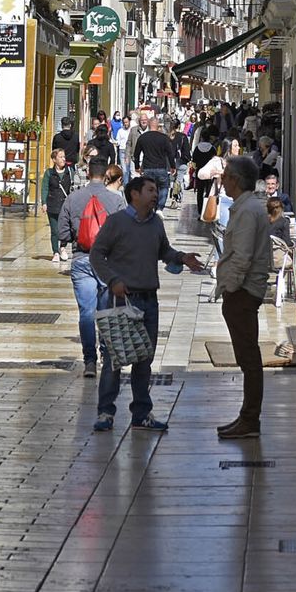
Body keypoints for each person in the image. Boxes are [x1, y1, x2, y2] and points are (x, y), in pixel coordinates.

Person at [88, 177, 204, 432]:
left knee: (144, 359)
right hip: (121, 300)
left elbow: (164, 250)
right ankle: (106, 412)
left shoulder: (156, 223)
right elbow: (97, 254)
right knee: (114, 359)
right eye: (150, 190)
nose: (155, 194)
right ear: (134, 195)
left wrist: (183, 257)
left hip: (149, 301)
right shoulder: (117, 222)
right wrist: (112, 279)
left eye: (155, 190)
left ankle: (141, 413)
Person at [216, 157, 275, 438]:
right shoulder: (247, 207)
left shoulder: (248, 210)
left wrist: (231, 286)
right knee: (246, 357)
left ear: (236, 180)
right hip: (240, 291)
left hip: (243, 292)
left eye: (226, 176)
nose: (223, 181)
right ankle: (246, 416)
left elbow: (242, 256)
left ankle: (250, 419)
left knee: (249, 358)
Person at [59, 160, 127, 378]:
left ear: (87, 173)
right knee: (106, 311)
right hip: (108, 263)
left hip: (81, 260)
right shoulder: (116, 200)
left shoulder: (73, 198)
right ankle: (106, 357)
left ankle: (89, 361)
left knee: (86, 313)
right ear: (106, 176)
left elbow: (62, 233)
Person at [132, 115, 178, 211]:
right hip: (161, 167)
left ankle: (149, 206)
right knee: (163, 187)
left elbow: (136, 154)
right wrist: (173, 166)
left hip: (147, 168)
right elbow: (170, 154)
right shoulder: (164, 138)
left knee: (148, 188)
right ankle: (159, 208)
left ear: (149, 124)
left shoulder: (142, 138)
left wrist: (137, 167)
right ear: (158, 125)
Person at [43, 147, 75, 264]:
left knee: (65, 228)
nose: (63, 159)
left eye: (64, 157)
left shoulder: (70, 171)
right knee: (54, 230)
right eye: (60, 157)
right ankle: (55, 252)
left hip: (65, 204)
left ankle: (63, 247)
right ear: (54, 159)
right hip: (52, 204)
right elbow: (45, 188)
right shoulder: (49, 173)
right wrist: (44, 202)